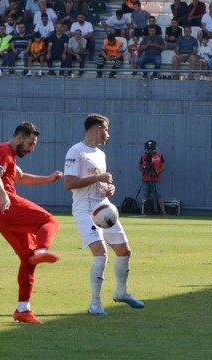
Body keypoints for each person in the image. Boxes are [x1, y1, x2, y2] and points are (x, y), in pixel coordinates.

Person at [64, 114, 145, 316]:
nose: (108, 135)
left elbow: (101, 183)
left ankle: (121, 292)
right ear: (98, 128)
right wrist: (99, 177)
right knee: (100, 253)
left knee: (124, 250)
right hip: (85, 211)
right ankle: (95, 304)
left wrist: (109, 188)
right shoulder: (76, 151)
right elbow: (69, 183)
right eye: (107, 130)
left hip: (104, 207)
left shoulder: (100, 154)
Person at [0, 121, 62, 324]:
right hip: (5, 206)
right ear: (19, 138)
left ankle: (23, 309)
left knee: (27, 260)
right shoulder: (3, 149)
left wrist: (48, 179)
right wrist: (3, 196)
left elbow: (22, 178)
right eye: (30, 143)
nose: (31, 148)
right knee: (49, 221)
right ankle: (42, 251)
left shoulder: (8, 155)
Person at [139, 139, 166, 214]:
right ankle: (147, 210)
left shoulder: (159, 155)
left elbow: (164, 166)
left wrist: (158, 172)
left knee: (158, 194)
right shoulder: (144, 156)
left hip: (156, 178)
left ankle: (163, 211)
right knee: (146, 194)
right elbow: (140, 166)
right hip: (146, 179)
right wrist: (143, 170)